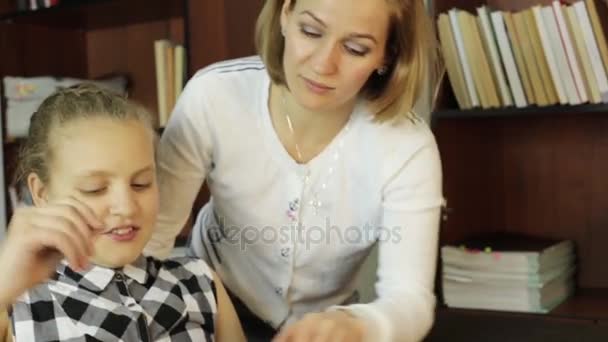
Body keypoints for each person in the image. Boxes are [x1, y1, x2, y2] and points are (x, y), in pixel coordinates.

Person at [145, 0, 443, 340]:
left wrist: (358, 326)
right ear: (285, 14)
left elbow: (409, 298)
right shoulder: (215, 95)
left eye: (356, 48)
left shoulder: (408, 147)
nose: (323, 64)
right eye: (311, 31)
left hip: (324, 330)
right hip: (206, 309)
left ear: (387, 55)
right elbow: (151, 238)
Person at [0, 84, 246, 342]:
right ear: (41, 193)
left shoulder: (200, 283)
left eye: (141, 183)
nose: (127, 207)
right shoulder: (16, 305)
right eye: (94, 189)